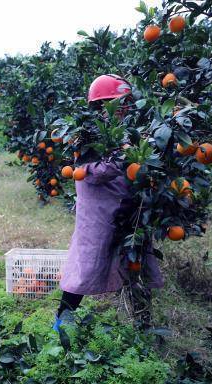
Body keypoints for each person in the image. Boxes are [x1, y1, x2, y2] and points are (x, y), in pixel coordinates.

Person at [54, 75, 163, 331]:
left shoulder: (126, 130)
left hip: (126, 208)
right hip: (98, 210)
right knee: (88, 262)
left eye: (124, 104)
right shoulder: (87, 133)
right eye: (117, 103)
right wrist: (123, 157)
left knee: (134, 258)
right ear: (101, 105)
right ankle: (62, 322)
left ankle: (142, 321)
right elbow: (90, 171)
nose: (123, 109)